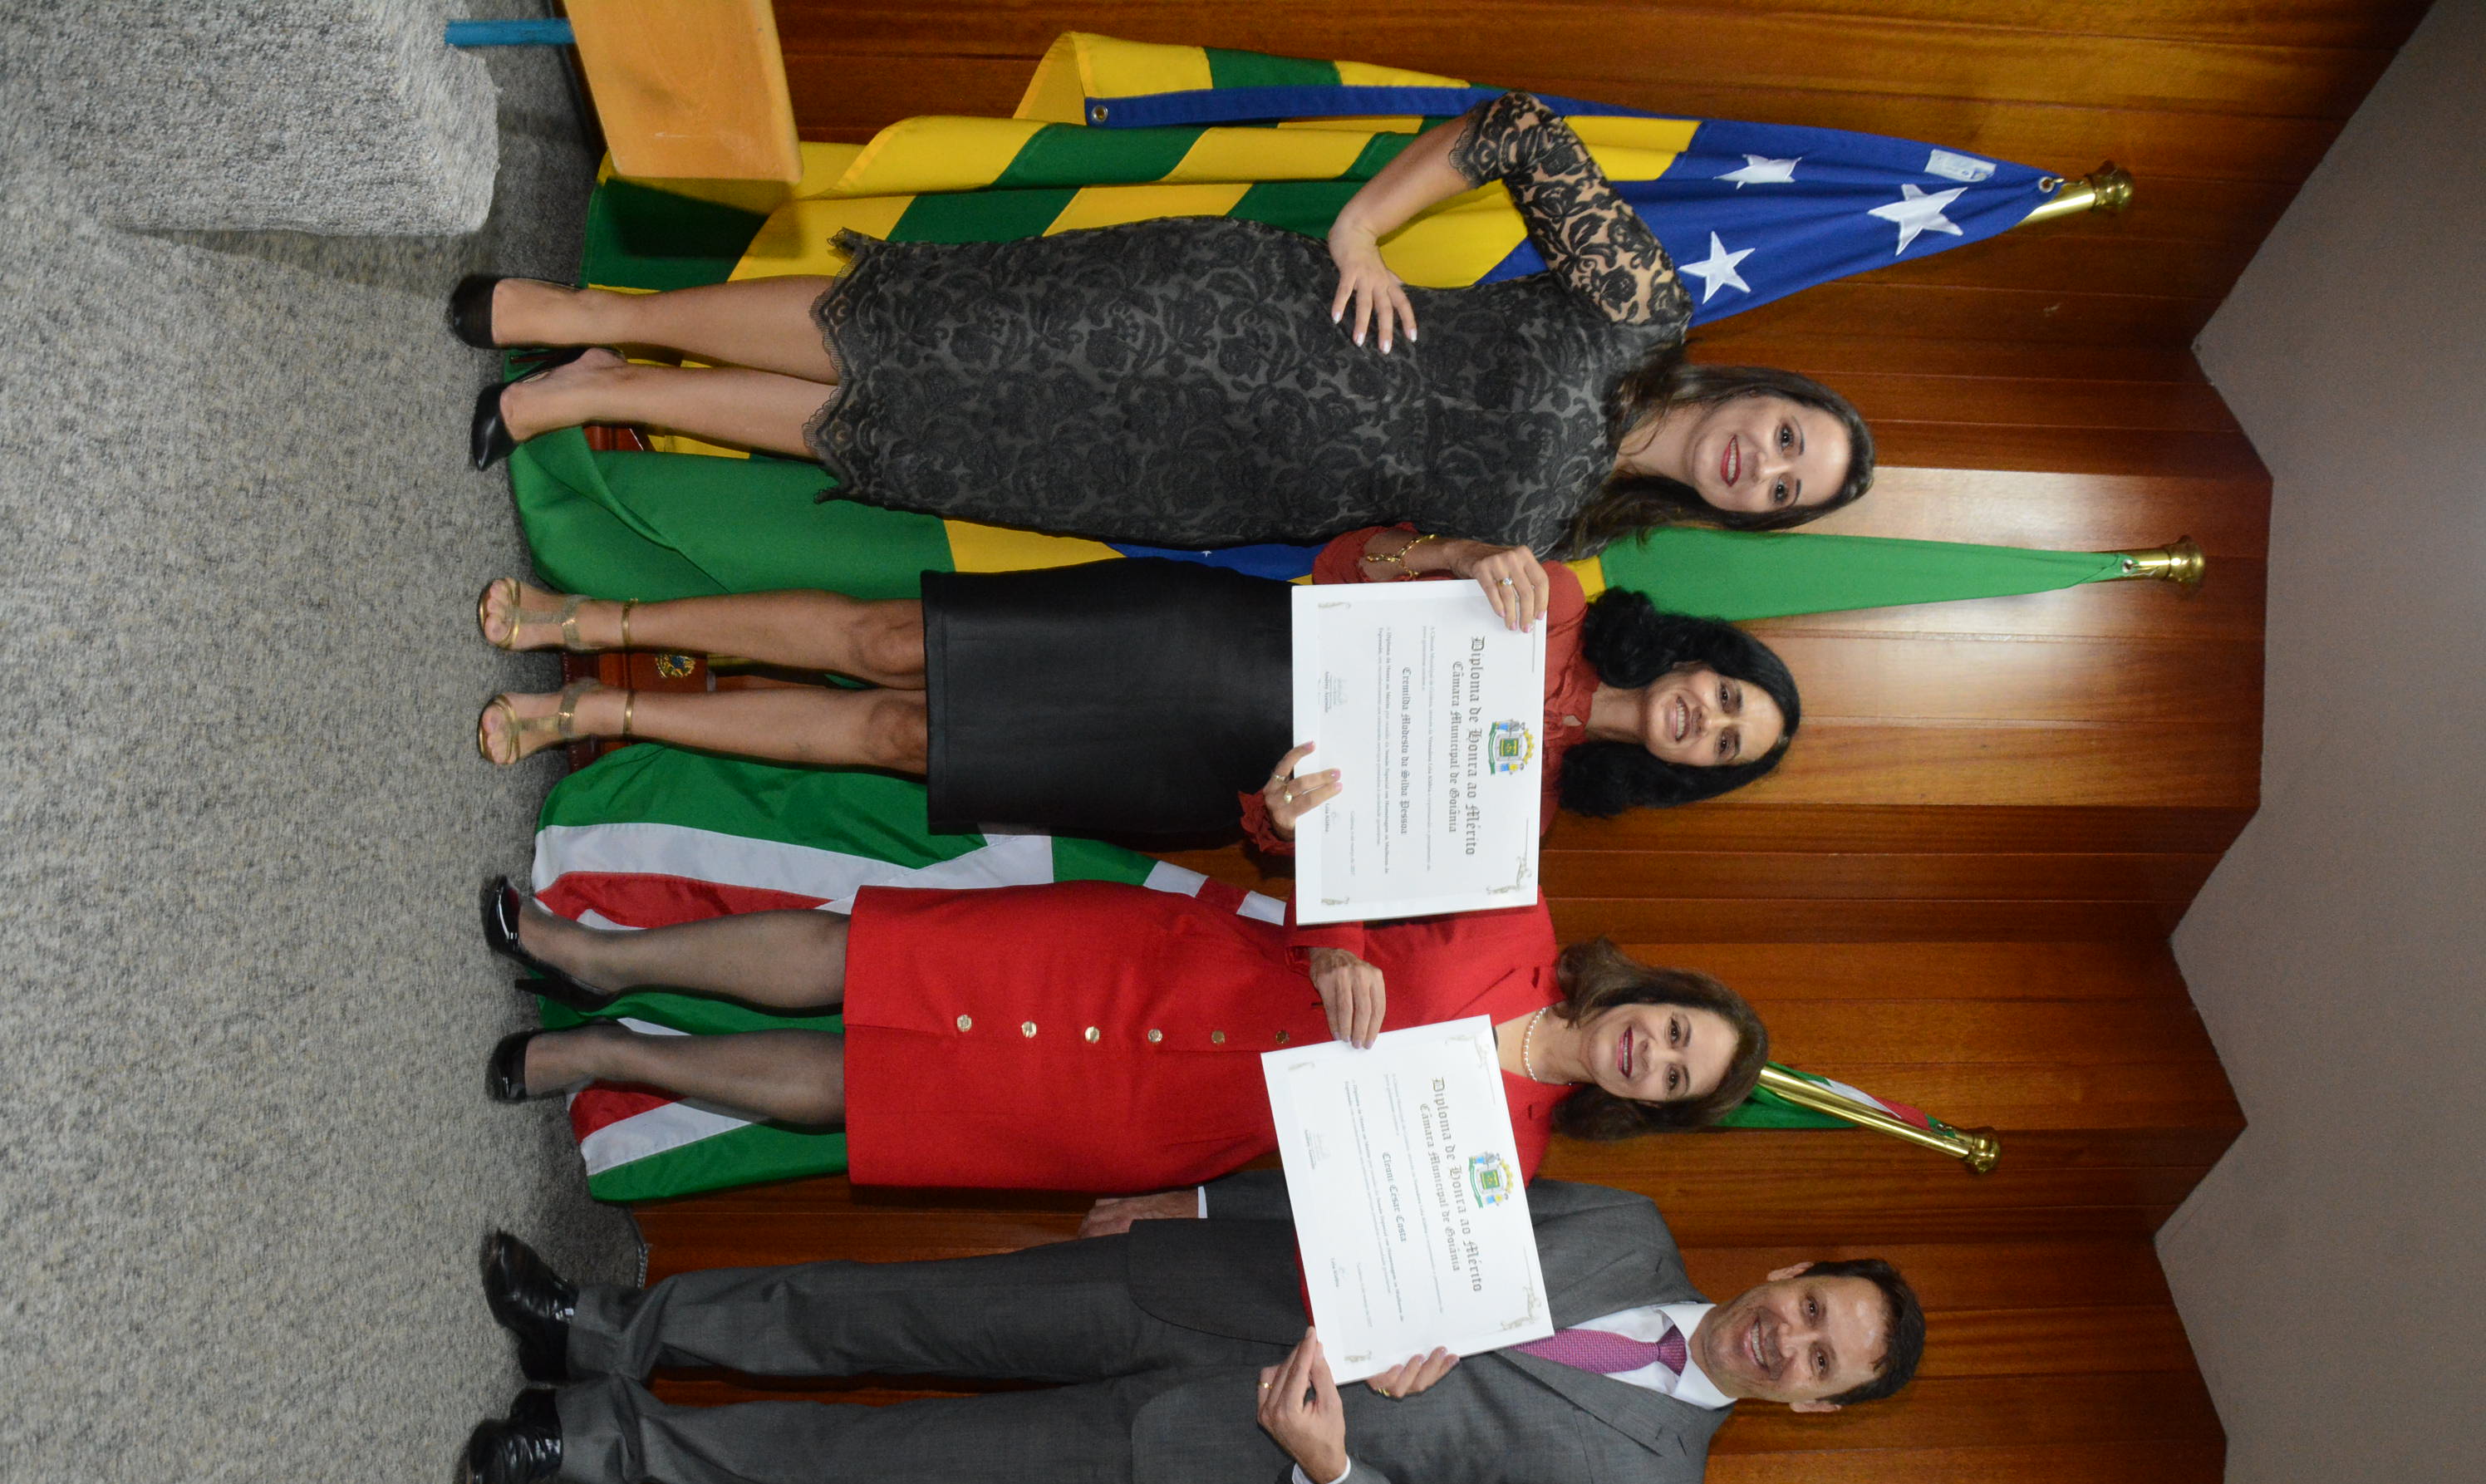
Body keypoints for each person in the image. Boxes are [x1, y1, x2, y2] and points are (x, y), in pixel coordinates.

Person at [453, 91, 1872, 553]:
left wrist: (1448, 577)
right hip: (1223, 318)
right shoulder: (1641, 309)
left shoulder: (1568, 544)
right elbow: (1517, 129)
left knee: (911, 438)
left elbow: (1374, 574)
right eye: (1789, 437)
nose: (1764, 462)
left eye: (1785, 489)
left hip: (1208, 482)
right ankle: (592, 308)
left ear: (1748, 515)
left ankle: (599, 388)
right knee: (918, 332)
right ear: (1769, 395)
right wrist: (1362, 230)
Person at [457, 1179, 1926, 1484]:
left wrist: (1334, 1471)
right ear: (1790, 1271)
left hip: (1211, 1467)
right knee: (876, 1311)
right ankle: (602, 1326)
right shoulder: (1623, 1223)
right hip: (1205, 1288)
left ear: (1811, 1407)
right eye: (1813, 1309)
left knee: (877, 1468)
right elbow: (1397, 1187)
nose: (1788, 1340)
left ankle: (593, 1442)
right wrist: (1207, 1203)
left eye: (1820, 1362)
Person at [479, 869, 1767, 1192]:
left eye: (1671, 1077)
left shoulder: (1510, 1170)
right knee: (862, 952)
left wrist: (1391, 1340)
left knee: (861, 1091)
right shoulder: (1514, 911)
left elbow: (1351, 1228)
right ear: (1652, 992)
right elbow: (1347, 832)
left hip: (1162, 1120)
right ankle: (588, 953)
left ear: (1647, 1106)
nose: (1651, 1053)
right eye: (1673, 1029)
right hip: (1161, 968)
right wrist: (1340, 944)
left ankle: (607, 1057)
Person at [469, 527, 1801, 839]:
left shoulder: (1518, 828)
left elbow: (1309, 858)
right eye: (1730, 697)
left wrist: (1283, 823)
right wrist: (1450, 557)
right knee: (889, 641)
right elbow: (1347, 560)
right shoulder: (1548, 592)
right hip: (1200, 640)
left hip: (1194, 772)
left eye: (1725, 746)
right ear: (1704, 656)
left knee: (899, 737)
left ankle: (603, 709)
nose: (1709, 721)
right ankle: (599, 616)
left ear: (1692, 772)